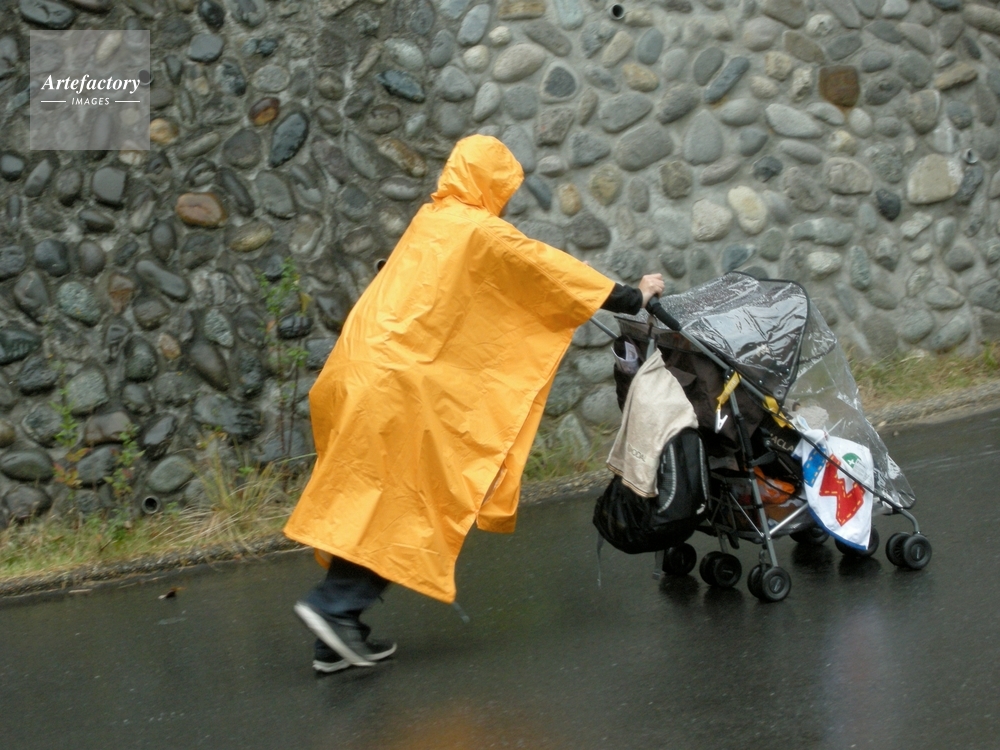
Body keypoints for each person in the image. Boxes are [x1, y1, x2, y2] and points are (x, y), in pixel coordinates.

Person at [285, 135, 664, 673]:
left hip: (359, 372)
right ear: (491, 183)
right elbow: (544, 269)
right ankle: (333, 606)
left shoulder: (431, 222)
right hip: (400, 387)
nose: (504, 200)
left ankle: (337, 637)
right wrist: (633, 295)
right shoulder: (478, 230)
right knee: (409, 501)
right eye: (504, 188)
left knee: (373, 494)